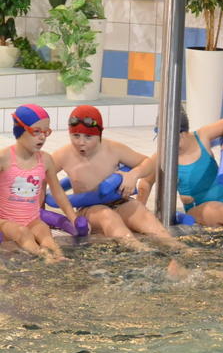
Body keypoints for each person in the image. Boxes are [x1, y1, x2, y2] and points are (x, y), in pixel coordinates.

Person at [51, 105, 182, 251]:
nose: (81, 142)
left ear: (100, 134)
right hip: (89, 209)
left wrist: (133, 175)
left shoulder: (113, 149)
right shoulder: (64, 155)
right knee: (108, 216)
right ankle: (142, 251)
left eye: (88, 137)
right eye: (76, 136)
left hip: (120, 201)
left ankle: (183, 250)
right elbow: (41, 176)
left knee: (147, 219)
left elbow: (148, 163)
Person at [137, 108, 223, 231]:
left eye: (168, 139)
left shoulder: (201, 136)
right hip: (201, 208)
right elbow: (145, 182)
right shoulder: (162, 156)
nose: (165, 145)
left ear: (183, 134)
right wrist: (140, 213)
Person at [0, 104, 76, 263]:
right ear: (20, 129)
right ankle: (45, 258)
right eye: (36, 131)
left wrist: (73, 218)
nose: (42, 137)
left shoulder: (46, 160)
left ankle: (59, 257)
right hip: (5, 220)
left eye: (46, 132)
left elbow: (58, 193)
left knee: (44, 231)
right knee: (23, 233)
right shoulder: (4, 158)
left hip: (32, 219)